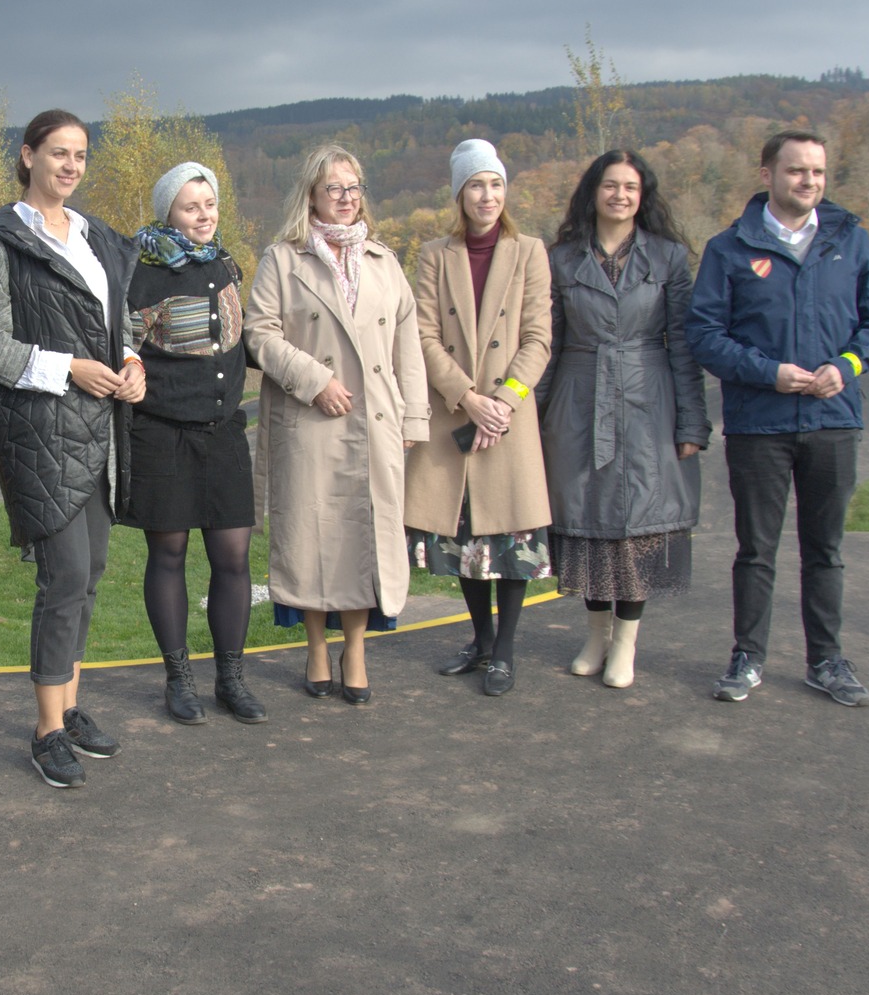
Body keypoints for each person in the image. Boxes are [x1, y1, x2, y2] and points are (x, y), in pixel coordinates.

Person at [686, 130, 869, 706]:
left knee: (825, 549)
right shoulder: (728, 249)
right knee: (756, 549)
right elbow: (704, 335)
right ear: (767, 175)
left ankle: (826, 660)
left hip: (833, 419)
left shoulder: (852, 243)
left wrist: (848, 365)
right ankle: (747, 656)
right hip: (761, 423)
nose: (808, 182)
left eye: (818, 173)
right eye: (796, 171)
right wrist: (768, 372)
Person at [0, 110, 148, 788]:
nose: (70, 166)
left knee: (93, 571)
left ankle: (69, 709)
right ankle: (45, 731)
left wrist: (131, 360)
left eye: (79, 155)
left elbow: (120, 320)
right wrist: (66, 367)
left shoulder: (98, 237)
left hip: (103, 428)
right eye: (57, 153)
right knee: (65, 576)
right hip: (41, 430)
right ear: (28, 155)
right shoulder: (1, 241)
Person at [243, 144, 428, 704]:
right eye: (333, 189)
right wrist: (313, 379)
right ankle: (317, 648)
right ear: (311, 196)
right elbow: (259, 334)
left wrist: (412, 416)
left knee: (362, 538)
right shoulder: (283, 259)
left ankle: (358, 650)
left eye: (354, 188)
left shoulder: (384, 261)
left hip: (373, 424)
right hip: (310, 423)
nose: (346, 199)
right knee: (312, 541)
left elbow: (408, 346)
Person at [537, 150, 710, 688]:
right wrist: (533, 421)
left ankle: (627, 644)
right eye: (610, 185)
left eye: (631, 187)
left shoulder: (668, 258)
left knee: (637, 523)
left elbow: (682, 346)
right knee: (585, 519)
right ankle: (595, 635)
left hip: (647, 398)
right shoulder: (561, 259)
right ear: (593, 192)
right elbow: (549, 344)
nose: (620, 195)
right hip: (577, 395)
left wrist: (691, 424)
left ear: (643, 195)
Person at [405, 139, 554, 697]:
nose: (486, 195)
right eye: (475, 185)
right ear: (459, 194)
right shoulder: (434, 254)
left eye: (494, 183)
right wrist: (468, 399)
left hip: (508, 419)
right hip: (457, 414)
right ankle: (481, 641)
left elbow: (538, 337)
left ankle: (506, 653)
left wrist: (503, 403)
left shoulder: (529, 252)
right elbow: (421, 334)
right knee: (466, 535)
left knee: (508, 535)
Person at [125, 161, 265, 726]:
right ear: (169, 213)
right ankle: (178, 679)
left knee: (233, 556)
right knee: (170, 554)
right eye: (191, 206)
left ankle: (230, 678)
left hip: (224, 431)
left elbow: (240, 338)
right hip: (161, 433)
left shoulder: (225, 262)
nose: (203, 216)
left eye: (209, 205)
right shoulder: (142, 270)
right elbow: (124, 345)